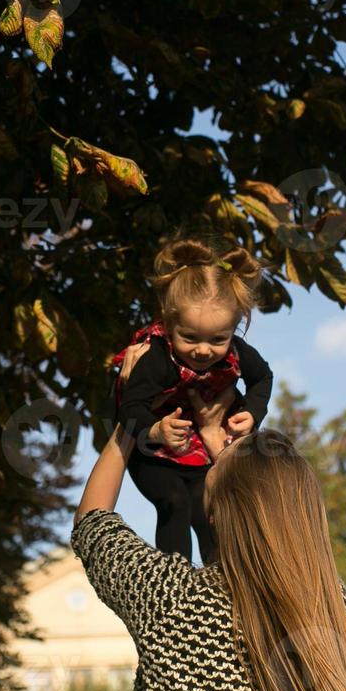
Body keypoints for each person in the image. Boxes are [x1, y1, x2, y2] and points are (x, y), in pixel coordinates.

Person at [71, 410, 346, 691]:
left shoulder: (174, 599)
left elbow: (92, 522)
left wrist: (129, 416)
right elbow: (262, 516)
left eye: (213, 467)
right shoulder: (331, 603)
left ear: (216, 515)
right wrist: (236, 467)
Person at [112, 237, 274, 563]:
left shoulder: (238, 354)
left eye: (217, 339)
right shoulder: (156, 358)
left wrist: (254, 413)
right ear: (170, 324)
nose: (203, 350)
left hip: (197, 449)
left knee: (207, 510)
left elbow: (263, 378)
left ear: (235, 328)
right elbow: (129, 407)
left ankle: (220, 581)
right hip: (152, 450)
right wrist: (155, 430)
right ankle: (178, 576)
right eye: (190, 337)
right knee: (174, 501)